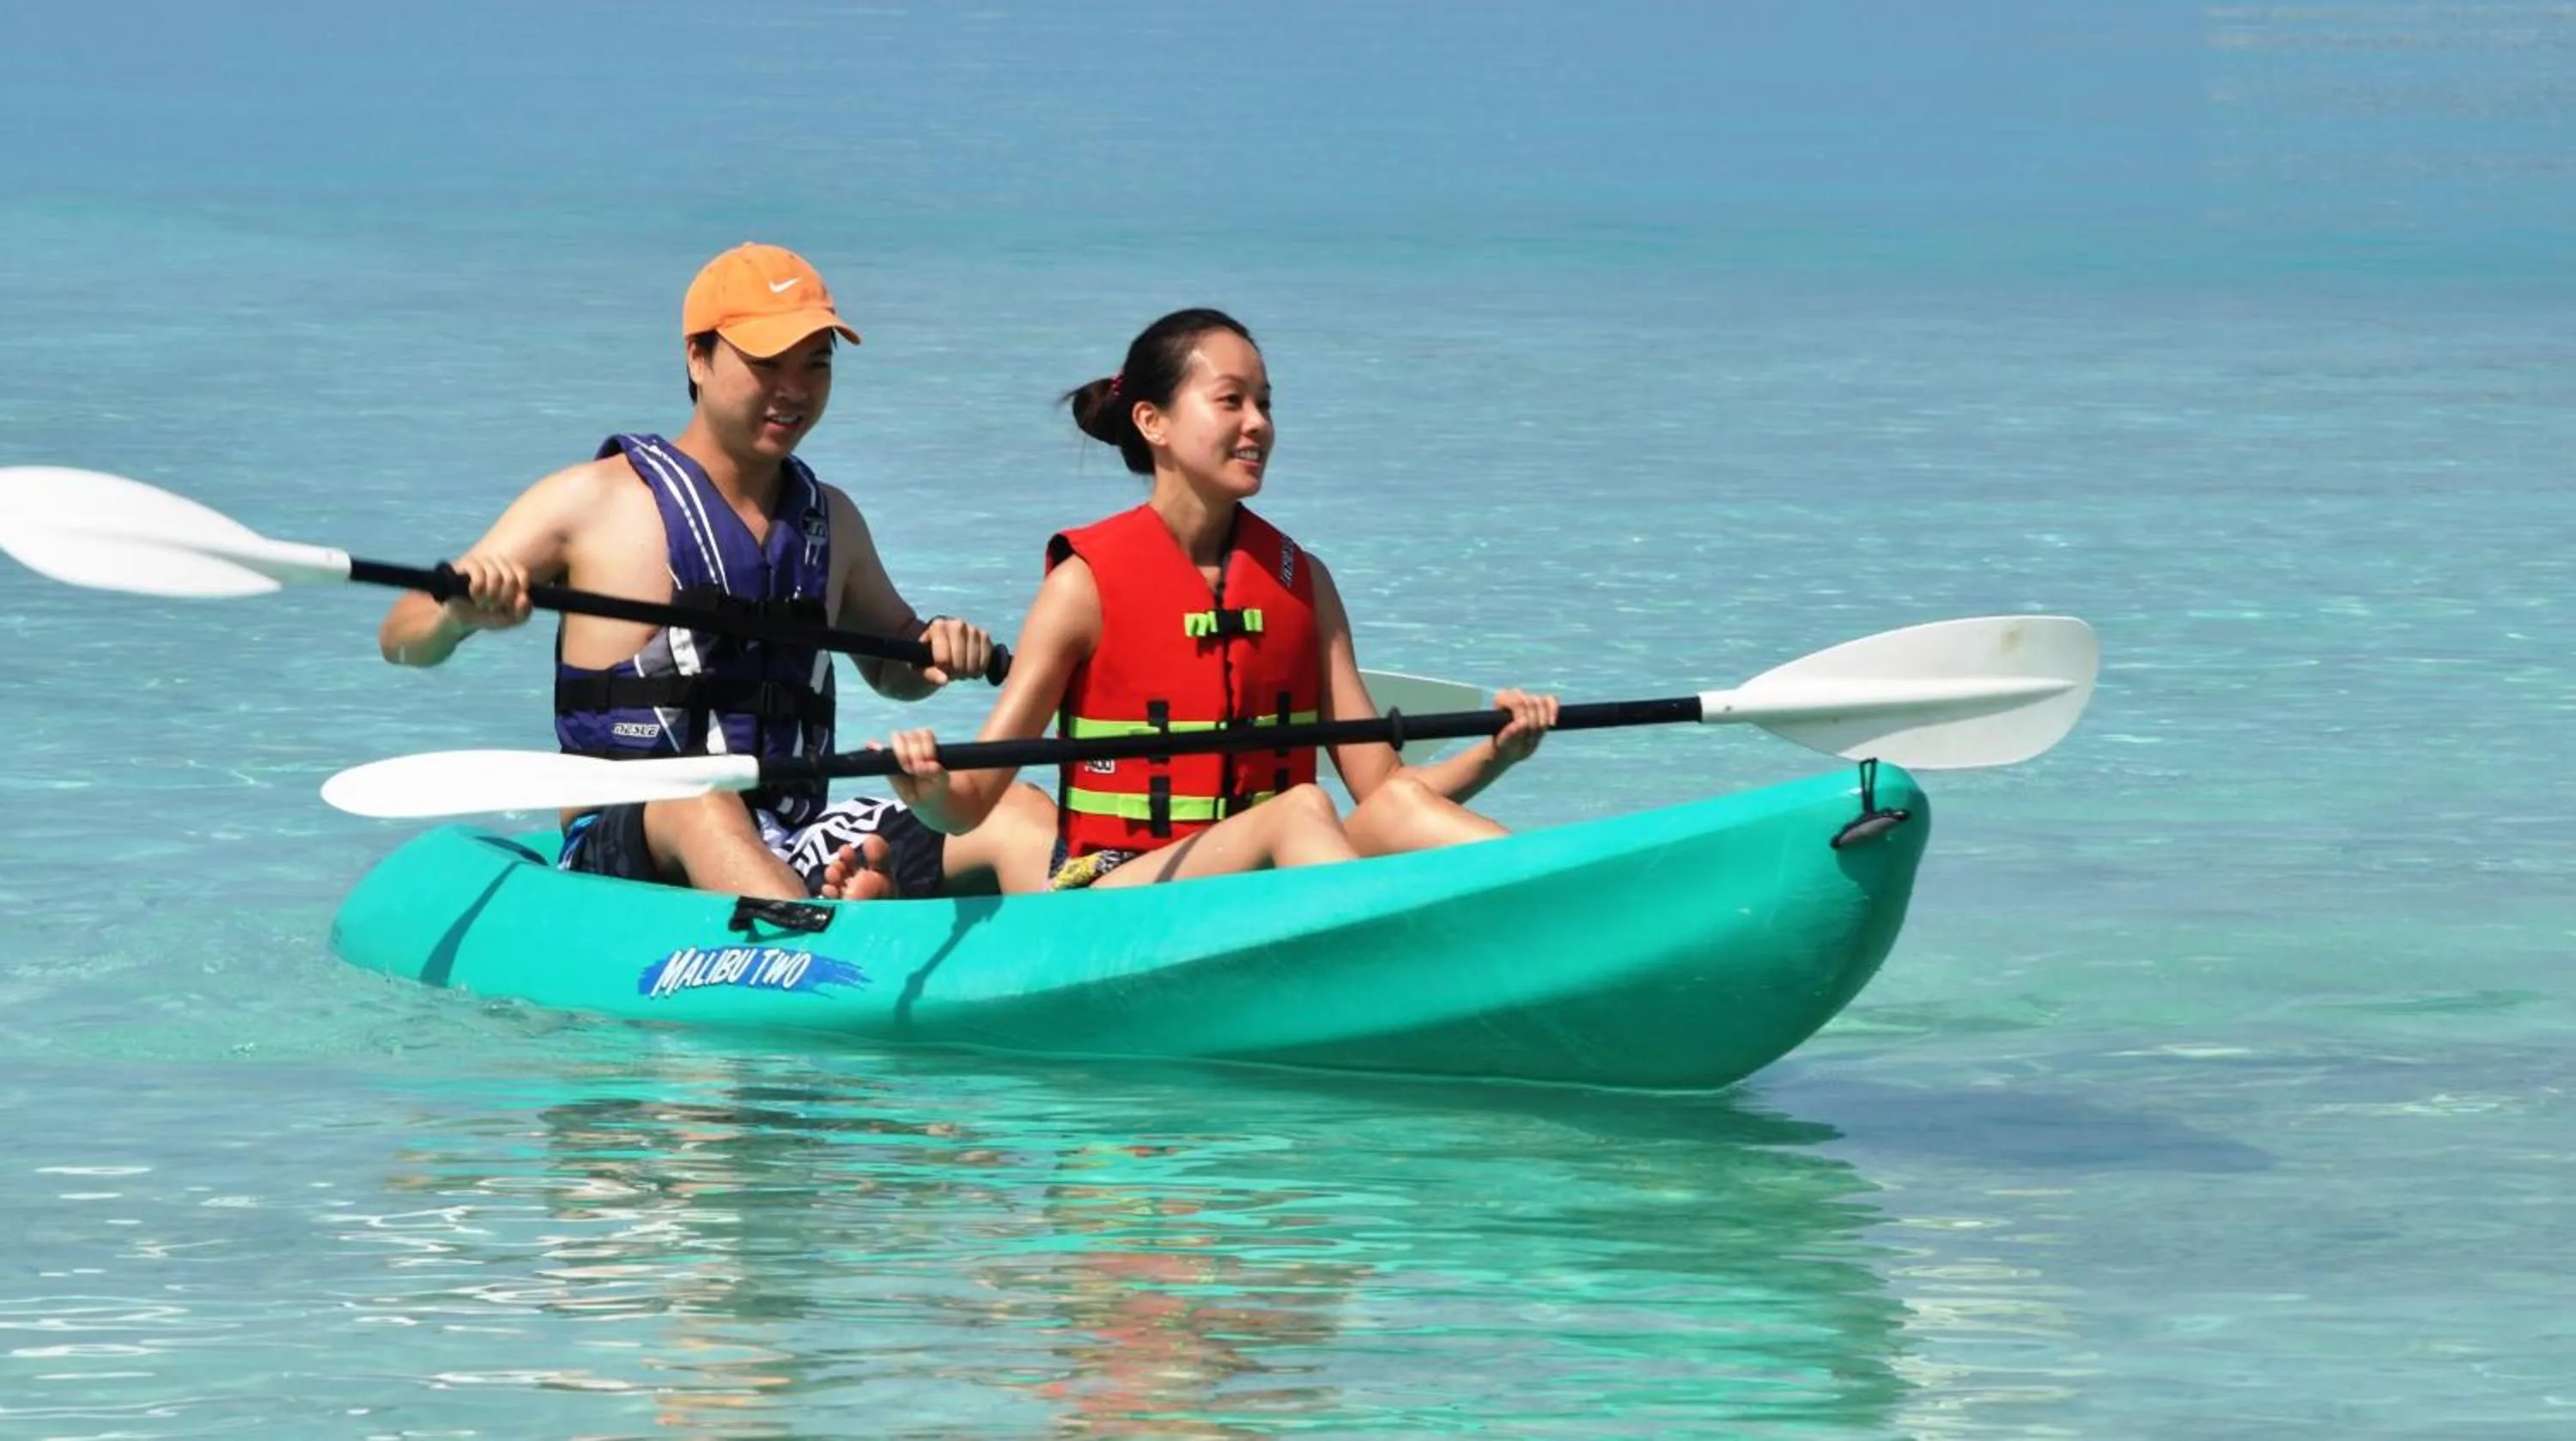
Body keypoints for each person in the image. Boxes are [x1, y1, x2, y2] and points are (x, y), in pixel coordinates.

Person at [376, 241, 1054, 901]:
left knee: (1013, 808)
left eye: (816, 365)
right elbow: (402, 637)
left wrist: (936, 648)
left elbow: (895, 665)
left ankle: (1097, 952)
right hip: (639, 834)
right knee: (703, 802)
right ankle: (827, 935)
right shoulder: (591, 501)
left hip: (795, 832)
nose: (794, 391)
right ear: (697, 358)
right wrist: (458, 613)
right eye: (768, 364)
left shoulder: (832, 521)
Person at [874, 307, 1558, 891]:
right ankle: (1389, 968)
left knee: (1396, 805)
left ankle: (1549, 899)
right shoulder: (1083, 586)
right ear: (1153, 422)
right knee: (1300, 810)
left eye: (1266, 403)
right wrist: (929, 791)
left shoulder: (1302, 580)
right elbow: (971, 803)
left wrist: (1495, 754)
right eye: (1232, 401)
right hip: (1117, 887)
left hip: (1257, 878)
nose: (1258, 423)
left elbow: (1380, 787)